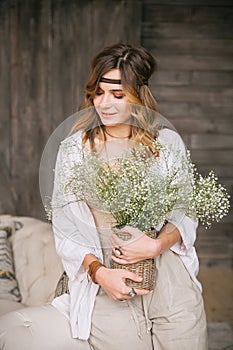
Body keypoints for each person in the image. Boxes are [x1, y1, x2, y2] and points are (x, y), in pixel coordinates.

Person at [0, 43, 208, 350]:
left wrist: (156, 244)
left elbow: (185, 208)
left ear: (139, 95)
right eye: (99, 93)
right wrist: (99, 274)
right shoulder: (75, 149)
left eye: (118, 95)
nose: (105, 104)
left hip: (171, 283)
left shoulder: (166, 142)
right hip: (109, 285)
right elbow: (65, 223)